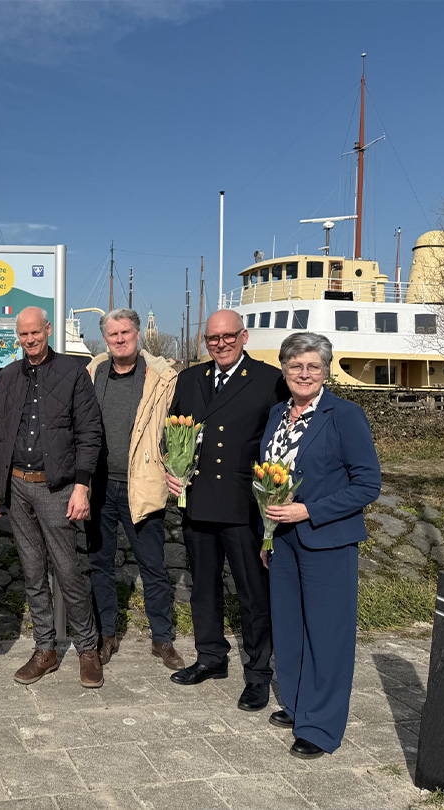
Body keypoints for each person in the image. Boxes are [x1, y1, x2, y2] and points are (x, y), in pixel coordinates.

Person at [259, 332, 380, 759]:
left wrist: (309, 511)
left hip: (327, 539)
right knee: (289, 628)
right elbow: (269, 481)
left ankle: (322, 726)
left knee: (328, 634)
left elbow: (368, 484)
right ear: (284, 371)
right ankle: (297, 703)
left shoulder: (344, 416)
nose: (304, 373)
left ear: (325, 370)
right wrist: (267, 535)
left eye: (313, 366)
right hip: (283, 542)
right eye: (296, 366)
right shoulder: (278, 414)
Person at [166, 309, 288, 711]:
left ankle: (257, 674)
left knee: (254, 594)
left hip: (243, 504)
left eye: (228, 336)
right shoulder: (190, 379)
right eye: (212, 338)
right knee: (203, 588)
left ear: (244, 336)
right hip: (197, 501)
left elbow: (281, 440)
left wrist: (276, 492)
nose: (220, 344)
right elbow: (174, 432)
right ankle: (211, 657)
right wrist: (173, 469)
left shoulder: (269, 379)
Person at [0, 306, 105, 688]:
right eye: (23, 335)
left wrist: (82, 486)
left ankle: (88, 648)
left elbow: (90, 433)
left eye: (35, 333)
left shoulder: (73, 373)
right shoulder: (6, 377)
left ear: (48, 330)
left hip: (58, 488)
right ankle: (46, 649)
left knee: (68, 571)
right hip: (17, 487)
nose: (29, 340)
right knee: (33, 571)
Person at [86, 308, 185, 670]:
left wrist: (177, 468)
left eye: (125, 332)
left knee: (153, 566)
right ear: (106, 339)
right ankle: (106, 635)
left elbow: (179, 428)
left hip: (141, 485)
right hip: (99, 486)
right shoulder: (93, 372)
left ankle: (163, 640)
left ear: (138, 333)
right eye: (113, 335)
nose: (120, 339)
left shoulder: (162, 377)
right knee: (100, 564)